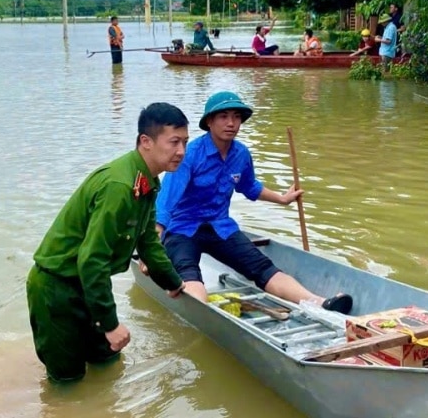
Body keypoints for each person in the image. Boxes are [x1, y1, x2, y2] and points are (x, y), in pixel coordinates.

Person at [26, 103, 189, 383]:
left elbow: (149, 243)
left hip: (88, 285)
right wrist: (110, 324)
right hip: (57, 290)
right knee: (68, 383)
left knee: (108, 361)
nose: (181, 152)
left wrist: (174, 284)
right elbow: (92, 260)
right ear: (146, 142)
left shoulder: (147, 183)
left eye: (185, 142)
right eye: (174, 142)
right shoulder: (120, 186)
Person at [153, 91, 353, 314]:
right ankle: (205, 315)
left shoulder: (240, 153)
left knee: (262, 267)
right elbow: (166, 202)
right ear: (209, 121)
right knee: (188, 273)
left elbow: (249, 187)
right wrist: (152, 245)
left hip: (220, 227)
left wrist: (282, 199)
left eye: (237, 116)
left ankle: (318, 302)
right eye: (223, 116)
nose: (231, 123)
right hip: (183, 229)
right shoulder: (189, 154)